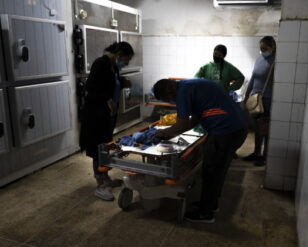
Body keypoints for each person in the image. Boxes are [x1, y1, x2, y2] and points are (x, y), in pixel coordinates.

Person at [153, 78, 247, 223]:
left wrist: (165, 132)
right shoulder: (190, 86)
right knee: (216, 168)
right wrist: (172, 132)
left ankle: (205, 213)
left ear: (169, 91)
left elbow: (182, 124)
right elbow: (194, 120)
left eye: (168, 99)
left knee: (212, 170)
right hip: (236, 128)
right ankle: (210, 204)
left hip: (225, 131)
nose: (171, 102)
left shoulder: (182, 93)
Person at [79, 41, 134, 201]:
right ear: (119, 55)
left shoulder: (113, 66)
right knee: (98, 148)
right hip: (96, 114)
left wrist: (124, 83)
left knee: (106, 145)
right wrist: (108, 100)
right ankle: (100, 185)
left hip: (108, 115)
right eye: (127, 59)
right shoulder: (101, 63)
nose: (127, 63)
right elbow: (92, 87)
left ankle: (106, 177)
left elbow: (110, 84)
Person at [243, 36, 276, 166]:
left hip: (266, 100)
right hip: (255, 99)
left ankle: (265, 156)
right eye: (261, 48)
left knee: (265, 128)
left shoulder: (276, 62)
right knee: (257, 128)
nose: (262, 51)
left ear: (272, 47)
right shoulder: (259, 59)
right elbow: (253, 77)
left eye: (265, 48)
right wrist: (247, 93)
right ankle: (256, 153)